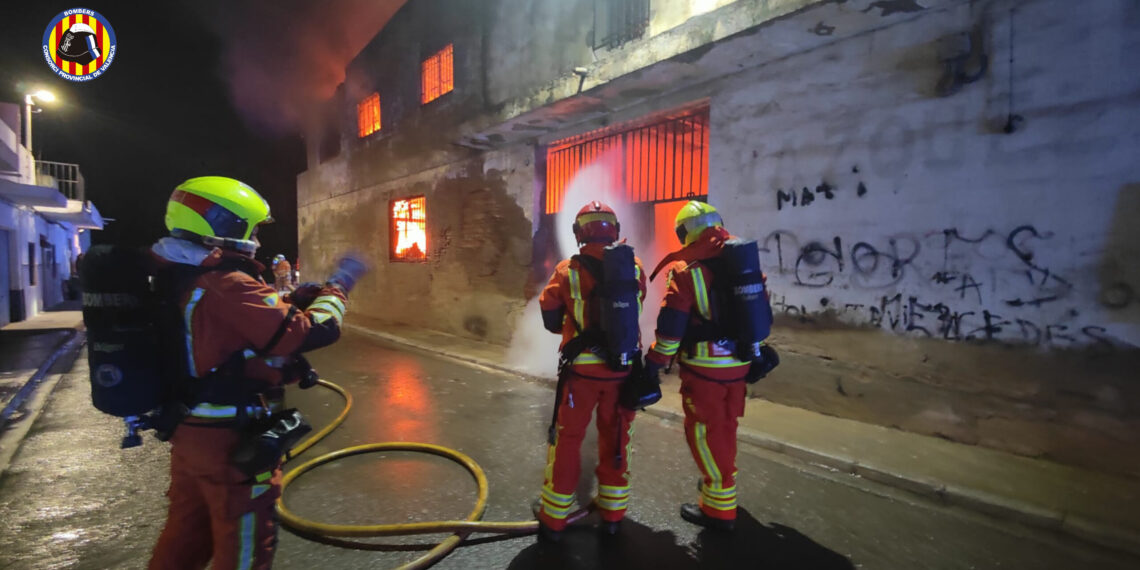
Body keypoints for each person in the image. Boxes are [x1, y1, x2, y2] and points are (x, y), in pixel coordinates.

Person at [147, 176, 359, 570]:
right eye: (254, 230)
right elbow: (310, 332)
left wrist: (292, 300)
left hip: (190, 430)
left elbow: (232, 328)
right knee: (244, 543)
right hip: (229, 440)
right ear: (225, 225)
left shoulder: (179, 272)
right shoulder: (227, 283)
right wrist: (338, 288)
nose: (258, 241)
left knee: (187, 534)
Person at [644, 200, 778, 532]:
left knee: (704, 433)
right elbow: (757, 316)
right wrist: (755, 353)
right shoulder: (745, 266)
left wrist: (654, 364)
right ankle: (723, 491)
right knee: (726, 428)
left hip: (705, 371)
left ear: (686, 232)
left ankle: (719, 508)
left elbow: (671, 330)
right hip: (740, 365)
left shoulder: (688, 271)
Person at [535, 201, 647, 541]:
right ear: (613, 228)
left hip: (582, 372)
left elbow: (550, 314)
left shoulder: (567, 269)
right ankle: (613, 514)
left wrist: (575, 329)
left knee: (568, 439)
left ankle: (554, 518)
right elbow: (634, 310)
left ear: (578, 231)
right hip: (622, 368)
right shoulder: (635, 266)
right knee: (616, 437)